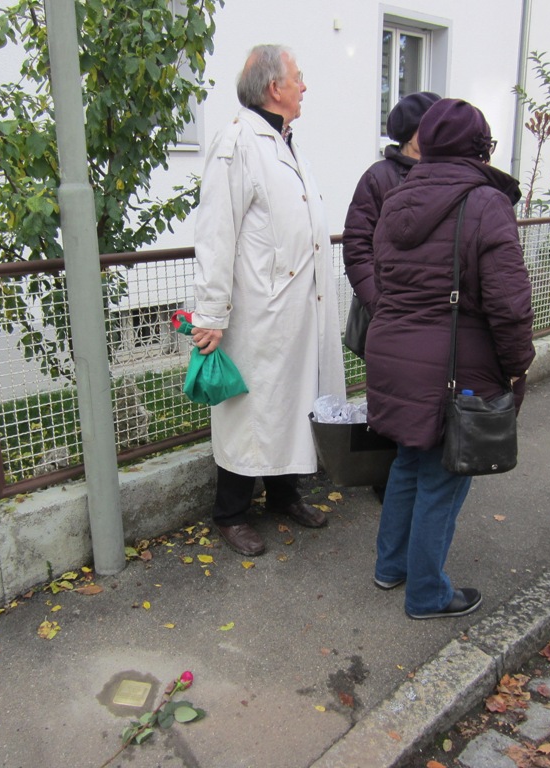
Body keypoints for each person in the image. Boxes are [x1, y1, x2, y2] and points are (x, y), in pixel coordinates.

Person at [365, 98, 536, 619]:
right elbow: (509, 302)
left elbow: (383, 276)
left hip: (394, 355)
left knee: (409, 465)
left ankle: (390, 567)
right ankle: (428, 595)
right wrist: (516, 364)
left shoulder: (396, 198)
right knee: (443, 476)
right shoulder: (485, 204)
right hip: (454, 367)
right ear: (479, 148)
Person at [190, 44, 346, 557]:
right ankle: (230, 513)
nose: (305, 86)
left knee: (294, 405)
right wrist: (210, 312)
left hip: (296, 309)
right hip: (257, 313)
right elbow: (216, 233)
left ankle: (284, 495)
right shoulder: (237, 142)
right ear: (274, 88)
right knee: (252, 413)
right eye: (299, 78)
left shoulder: (283, 140)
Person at [342, 91, 441, 325]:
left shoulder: (446, 174)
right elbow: (357, 246)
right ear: (411, 131)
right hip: (390, 314)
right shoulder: (378, 177)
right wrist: (379, 305)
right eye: (430, 125)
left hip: (437, 317)